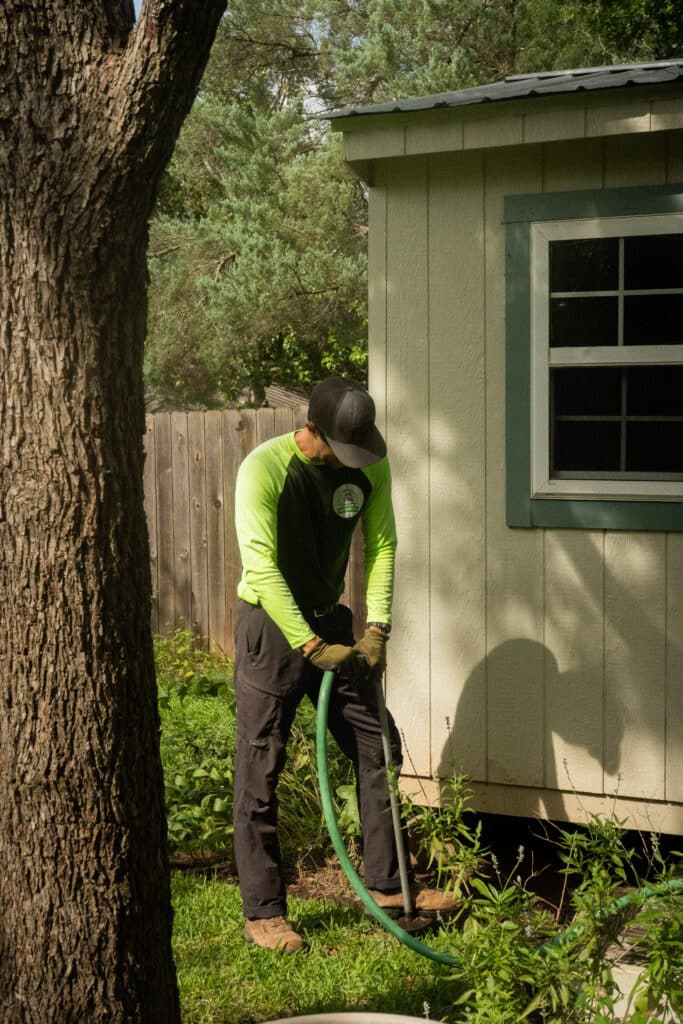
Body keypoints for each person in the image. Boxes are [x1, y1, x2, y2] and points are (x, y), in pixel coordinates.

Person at [232, 377, 456, 952]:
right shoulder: (264, 470)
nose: (350, 460)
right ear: (311, 428)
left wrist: (377, 627)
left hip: (332, 621)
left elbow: (382, 545)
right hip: (270, 627)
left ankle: (387, 883)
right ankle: (264, 912)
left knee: (376, 743)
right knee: (262, 763)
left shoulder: (369, 465)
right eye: (340, 448)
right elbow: (261, 566)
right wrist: (308, 645)